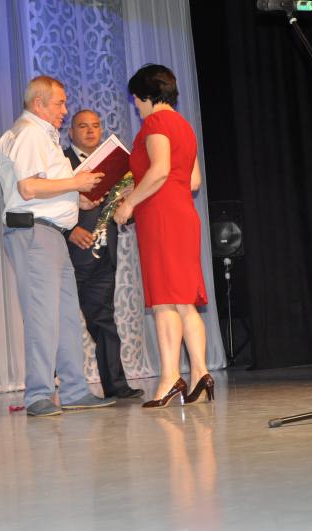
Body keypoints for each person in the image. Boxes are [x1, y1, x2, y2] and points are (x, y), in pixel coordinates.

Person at [0, 75, 116, 416]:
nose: (65, 110)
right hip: (35, 233)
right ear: (39, 104)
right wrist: (76, 183)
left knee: (65, 317)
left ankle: (75, 390)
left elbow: (46, 187)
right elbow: (28, 188)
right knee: (42, 317)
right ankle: (38, 394)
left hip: (52, 234)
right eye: (59, 103)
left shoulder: (43, 135)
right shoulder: (29, 133)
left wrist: (78, 198)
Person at [113, 64, 213, 407]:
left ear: (146, 95)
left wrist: (129, 203)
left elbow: (159, 170)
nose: (136, 107)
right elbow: (193, 181)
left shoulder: (156, 123)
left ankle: (170, 377)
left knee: (164, 300)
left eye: (136, 100)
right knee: (184, 300)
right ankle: (201, 374)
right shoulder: (184, 125)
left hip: (161, 216)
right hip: (183, 213)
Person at [63, 109, 144, 399]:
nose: (90, 131)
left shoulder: (115, 166)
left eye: (95, 126)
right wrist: (69, 230)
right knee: (58, 324)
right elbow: (47, 209)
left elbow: (124, 215)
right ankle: (52, 390)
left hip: (103, 258)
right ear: (70, 132)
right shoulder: (60, 163)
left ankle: (116, 386)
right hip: (66, 258)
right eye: (82, 126)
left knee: (105, 322)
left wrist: (128, 204)